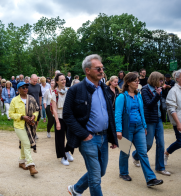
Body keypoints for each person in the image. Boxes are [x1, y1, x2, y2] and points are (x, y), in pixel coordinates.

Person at [64, 54, 118, 196]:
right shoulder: (75, 90)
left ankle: (76, 189)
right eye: (98, 68)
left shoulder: (105, 89)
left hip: (104, 137)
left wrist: (113, 137)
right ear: (87, 70)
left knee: (101, 171)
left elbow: (110, 114)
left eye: (102, 68)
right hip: (88, 139)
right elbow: (67, 115)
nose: (102, 70)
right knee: (95, 178)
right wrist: (84, 134)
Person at [115, 72, 164, 186]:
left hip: (139, 128)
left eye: (138, 81)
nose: (138, 83)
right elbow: (117, 114)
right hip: (126, 128)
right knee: (125, 152)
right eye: (135, 81)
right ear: (128, 82)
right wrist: (118, 130)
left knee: (143, 153)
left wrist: (144, 126)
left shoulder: (138, 95)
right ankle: (123, 172)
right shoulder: (122, 97)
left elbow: (141, 111)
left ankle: (151, 179)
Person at [132, 72, 170, 176]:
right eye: (160, 80)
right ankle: (135, 155)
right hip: (149, 121)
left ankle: (160, 167)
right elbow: (148, 104)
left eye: (162, 80)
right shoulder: (145, 89)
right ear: (154, 79)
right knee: (148, 144)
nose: (162, 82)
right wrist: (157, 95)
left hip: (158, 120)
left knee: (161, 144)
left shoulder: (159, 89)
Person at [9, 82, 39, 176]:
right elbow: (10, 114)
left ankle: (21, 162)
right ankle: (31, 165)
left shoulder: (32, 98)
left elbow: (37, 109)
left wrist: (34, 116)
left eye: (26, 87)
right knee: (26, 143)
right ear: (18, 90)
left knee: (23, 143)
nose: (25, 89)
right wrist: (22, 117)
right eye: (23, 87)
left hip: (30, 125)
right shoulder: (14, 100)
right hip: (19, 126)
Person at [51, 73, 75, 166]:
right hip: (59, 118)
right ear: (57, 81)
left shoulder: (69, 91)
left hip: (69, 118)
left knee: (72, 137)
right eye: (61, 79)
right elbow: (54, 109)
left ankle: (67, 150)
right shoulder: (54, 93)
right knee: (60, 139)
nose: (63, 81)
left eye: (64, 79)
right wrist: (57, 122)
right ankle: (63, 157)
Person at [164, 69, 181, 165]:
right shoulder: (173, 91)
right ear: (177, 79)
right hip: (179, 120)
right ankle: (166, 153)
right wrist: (178, 123)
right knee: (180, 142)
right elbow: (171, 109)